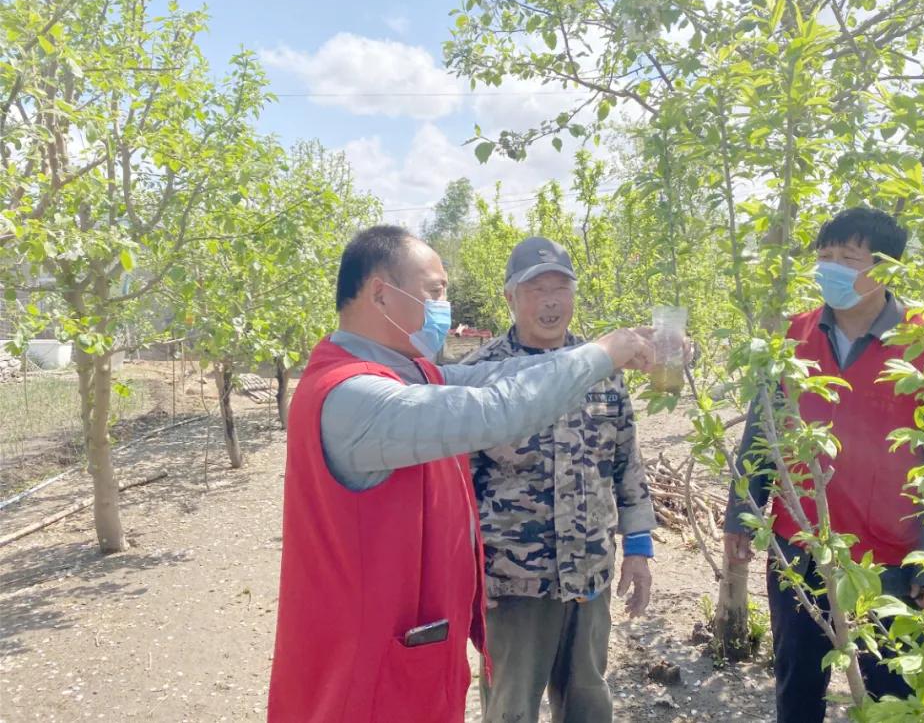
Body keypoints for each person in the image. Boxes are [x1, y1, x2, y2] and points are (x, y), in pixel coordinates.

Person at [267, 226, 656, 723]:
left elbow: (500, 377)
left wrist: (620, 351)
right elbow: (495, 408)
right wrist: (602, 353)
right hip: (365, 671)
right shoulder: (353, 395)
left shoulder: (409, 374)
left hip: (411, 645)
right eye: (434, 292)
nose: (443, 306)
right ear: (382, 295)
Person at [722, 207, 924, 723]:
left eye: (847, 258)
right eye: (824, 258)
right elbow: (763, 430)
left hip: (889, 558)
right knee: (796, 677)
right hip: (800, 543)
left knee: (890, 689)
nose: (830, 269)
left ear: (885, 269)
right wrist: (740, 511)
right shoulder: (796, 333)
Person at [462, 237, 658, 723]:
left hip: (588, 573)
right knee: (510, 709)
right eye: (536, 289)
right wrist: (462, 574)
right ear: (510, 297)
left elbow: (624, 462)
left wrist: (637, 548)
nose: (551, 301)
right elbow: (456, 488)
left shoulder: (603, 368)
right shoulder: (478, 376)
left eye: (560, 288)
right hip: (511, 584)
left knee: (588, 703)